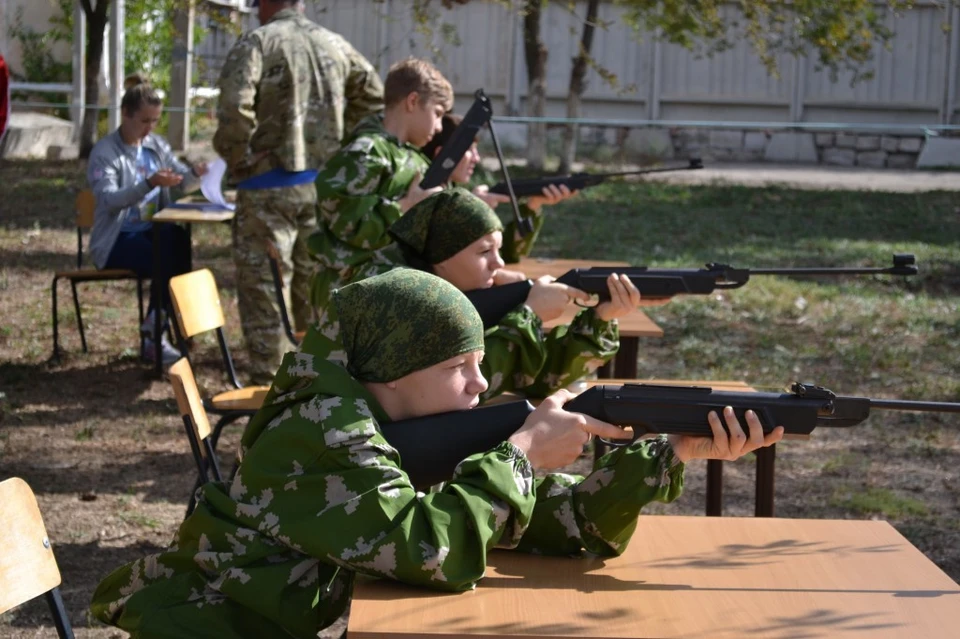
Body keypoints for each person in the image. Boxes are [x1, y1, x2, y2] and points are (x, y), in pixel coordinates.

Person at [90, 268, 783, 638]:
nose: (482, 385)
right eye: (462, 368)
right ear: (395, 371)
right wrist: (518, 453)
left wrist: (671, 454)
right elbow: (429, 551)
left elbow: (556, 526)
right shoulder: (322, 431)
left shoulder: (390, 423)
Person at [215, 0, 384, 385]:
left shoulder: (258, 42)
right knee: (318, 295)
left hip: (266, 189)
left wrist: (239, 156)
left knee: (266, 297)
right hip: (322, 191)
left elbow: (232, 106)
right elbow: (375, 99)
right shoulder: (335, 45)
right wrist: (342, 145)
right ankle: (318, 391)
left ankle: (269, 395)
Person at [307, 57, 452, 320]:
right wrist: (405, 207)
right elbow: (345, 222)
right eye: (438, 113)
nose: (440, 126)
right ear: (412, 101)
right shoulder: (366, 153)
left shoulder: (410, 156)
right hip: (348, 297)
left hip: (384, 294)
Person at [87, 74, 208, 365]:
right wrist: (148, 183)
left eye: (155, 121)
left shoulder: (156, 146)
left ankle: (158, 326)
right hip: (115, 240)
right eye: (144, 121)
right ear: (125, 114)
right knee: (166, 250)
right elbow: (108, 200)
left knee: (177, 240)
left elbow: (180, 182)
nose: (149, 129)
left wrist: (197, 174)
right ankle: (158, 333)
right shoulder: (105, 152)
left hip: (150, 233)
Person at [421, 112, 575, 264]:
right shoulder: (425, 200)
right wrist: (470, 209)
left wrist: (534, 204)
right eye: (469, 150)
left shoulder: (450, 190)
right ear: (442, 154)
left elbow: (508, 254)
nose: (477, 158)